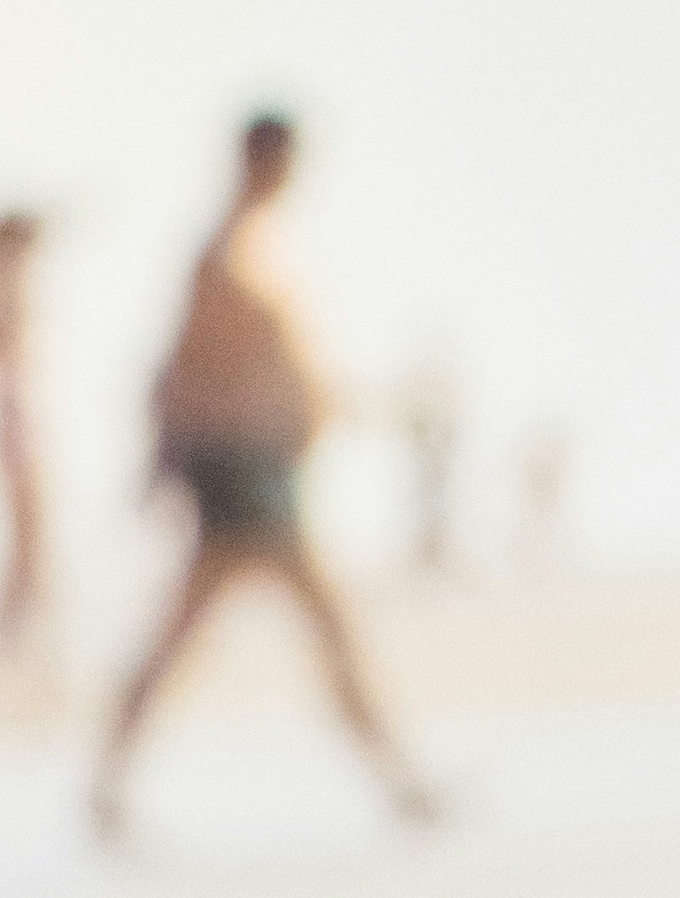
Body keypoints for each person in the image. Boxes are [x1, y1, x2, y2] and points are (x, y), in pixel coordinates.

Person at [88, 112, 444, 839]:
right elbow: (185, 373)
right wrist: (161, 462)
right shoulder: (224, 257)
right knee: (312, 629)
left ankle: (108, 783)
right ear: (265, 160)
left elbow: (292, 381)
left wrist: (372, 411)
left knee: (200, 633)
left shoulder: (255, 251)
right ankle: (401, 779)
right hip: (241, 482)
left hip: (262, 477)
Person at [0, 206, 54, 669]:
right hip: (13, 410)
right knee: (28, 532)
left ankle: (18, 639)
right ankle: (13, 642)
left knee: (30, 533)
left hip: (14, 409)